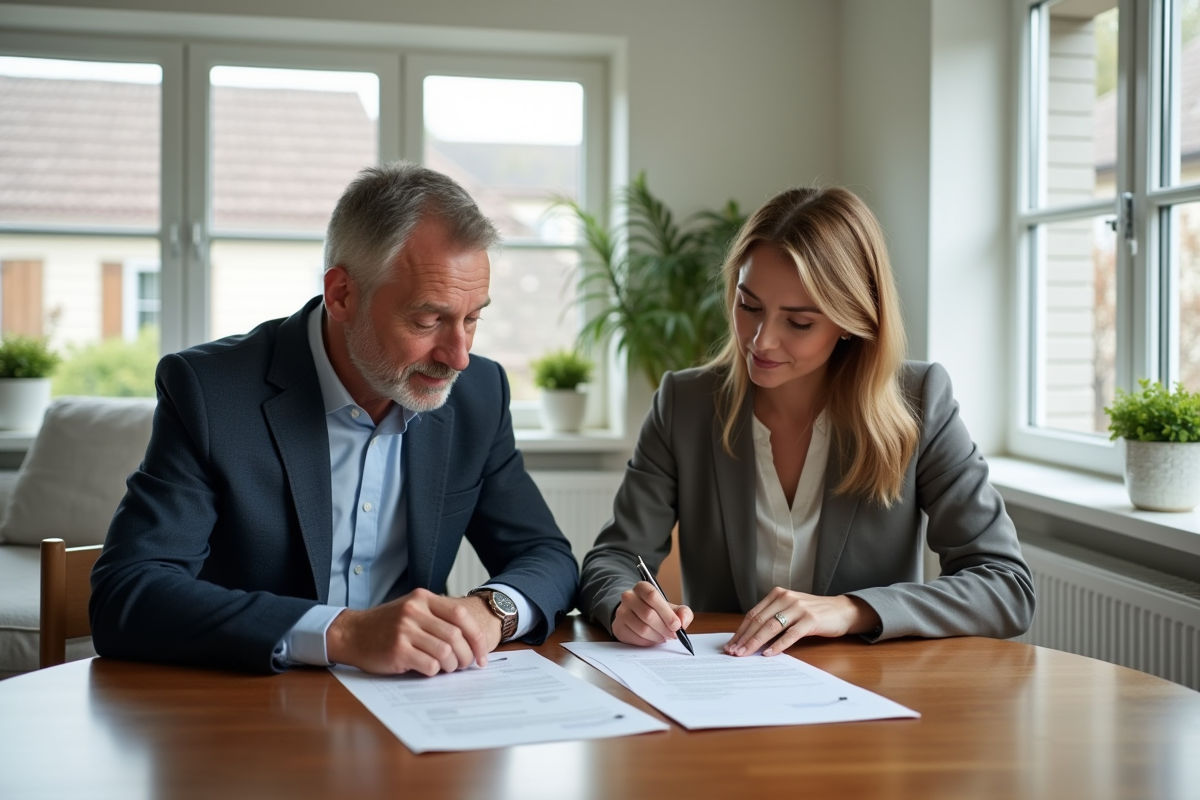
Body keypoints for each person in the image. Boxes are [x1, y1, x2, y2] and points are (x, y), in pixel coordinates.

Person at [90, 162, 579, 675]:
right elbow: (129, 594)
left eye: (473, 318)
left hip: (419, 705)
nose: (458, 356)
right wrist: (342, 632)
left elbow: (547, 557)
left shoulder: (479, 392)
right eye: (428, 319)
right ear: (342, 294)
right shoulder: (210, 391)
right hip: (255, 706)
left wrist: (488, 613)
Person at [579, 186, 1034, 657]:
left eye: (798, 323)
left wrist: (849, 609)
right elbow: (613, 559)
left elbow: (1005, 587)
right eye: (748, 305)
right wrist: (623, 605)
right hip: (720, 692)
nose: (761, 340)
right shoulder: (685, 403)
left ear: (852, 320)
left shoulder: (920, 401)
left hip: (869, 697)